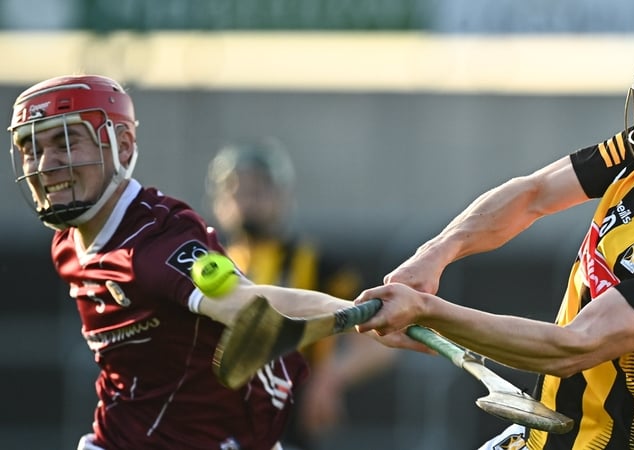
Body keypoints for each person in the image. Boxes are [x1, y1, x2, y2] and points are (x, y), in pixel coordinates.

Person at [353, 28, 634, 449]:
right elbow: (533, 195)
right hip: (545, 434)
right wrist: (434, 256)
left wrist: (428, 311)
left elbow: (573, 347)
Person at [7, 74, 369, 450]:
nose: (45, 164)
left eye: (66, 141)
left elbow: (249, 303)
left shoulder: (157, 245)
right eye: (31, 148)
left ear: (123, 147)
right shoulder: (67, 243)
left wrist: (372, 316)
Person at [205, 140, 395, 449]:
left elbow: (382, 342)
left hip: (290, 420)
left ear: (282, 196)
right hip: (219, 419)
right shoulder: (212, 264)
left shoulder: (320, 265)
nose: (246, 200)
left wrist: (331, 376)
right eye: (236, 190)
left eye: (258, 190)